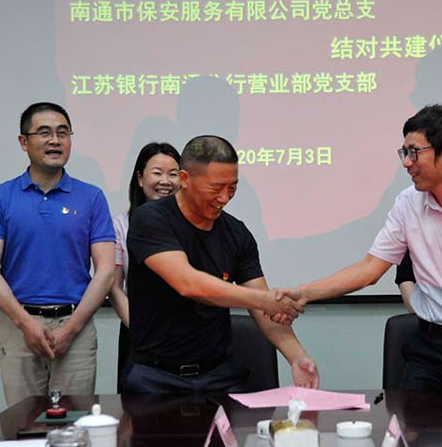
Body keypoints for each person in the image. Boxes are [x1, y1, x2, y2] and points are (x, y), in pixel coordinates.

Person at [285, 105, 442, 390]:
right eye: (404, 153)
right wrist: (304, 293)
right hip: (431, 350)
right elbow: (370, 269)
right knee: (413, 417)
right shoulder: (407, 204)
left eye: (414, 152)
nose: (407, 163)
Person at [125, 134, 318, 394]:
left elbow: (265, 311)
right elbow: (189, 284)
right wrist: (265, 300)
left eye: (232, 188)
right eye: (216, 188)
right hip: (155, 377)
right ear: (185, 179)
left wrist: (297, 357)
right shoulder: (150, 219)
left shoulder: (236, 234)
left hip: (218, 376)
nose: (225, 198)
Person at [0, 102, 116, 405]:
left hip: (76, 326)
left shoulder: (91, 197)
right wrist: (26, 324)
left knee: (75, 422)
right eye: (44, 133)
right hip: (18, 326)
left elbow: (106, 271)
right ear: (23, 141)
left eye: (63, 133)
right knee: (23, 421)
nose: (55, 140)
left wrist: (71, 329)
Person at [108, 142, 181, 389]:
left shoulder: (193, 224)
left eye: (173, 174)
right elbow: (114, 287)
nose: (165, 181)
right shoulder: (121, 225)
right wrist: (140, 328)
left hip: (186, 335)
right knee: (137, 408)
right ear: (140, 178)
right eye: (157, 173)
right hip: (138, 332)